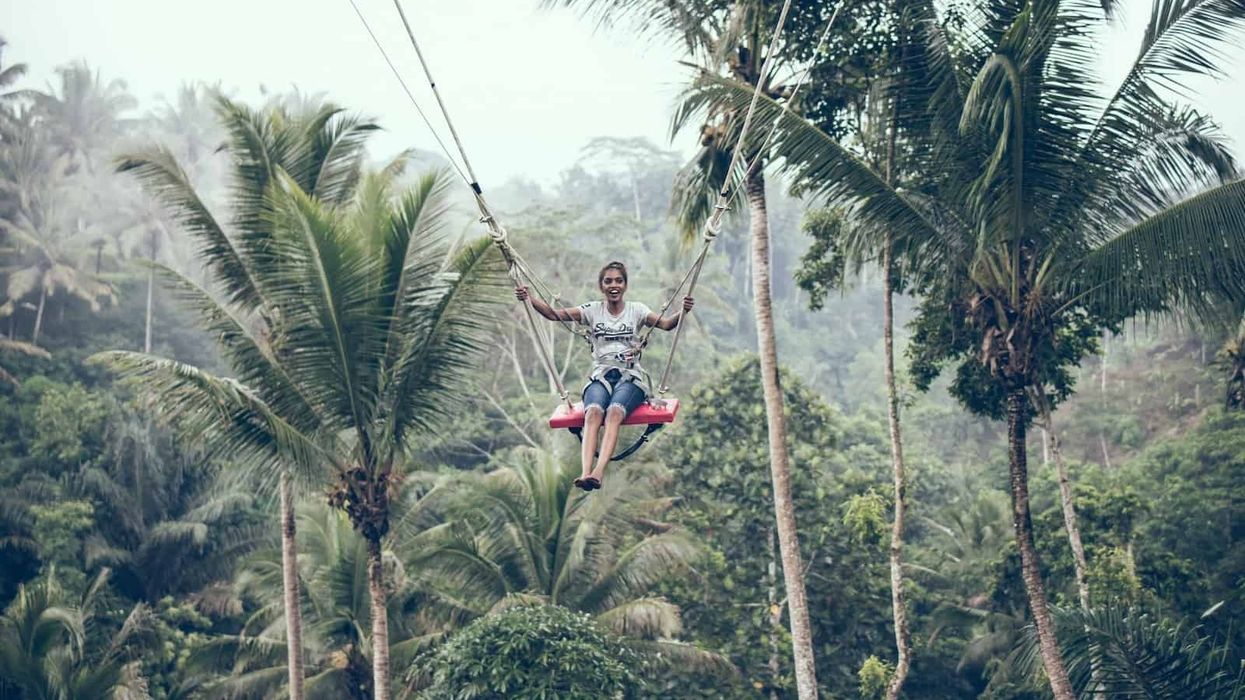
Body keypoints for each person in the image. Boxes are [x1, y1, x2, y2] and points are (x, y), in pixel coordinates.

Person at [515, 261, 693, 491]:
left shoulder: (637, 310)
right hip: (600, 375)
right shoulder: (591, 310)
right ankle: (585, 472)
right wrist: (529, 298)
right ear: (601, 286)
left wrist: (683, 311)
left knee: (614, 412)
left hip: (630, 376)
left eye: (618, 280)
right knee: (593, 414)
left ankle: (598, 472)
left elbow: (667, 325)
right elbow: (554, 315)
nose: (613, 285)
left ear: (625, 285)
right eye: (608, 281)